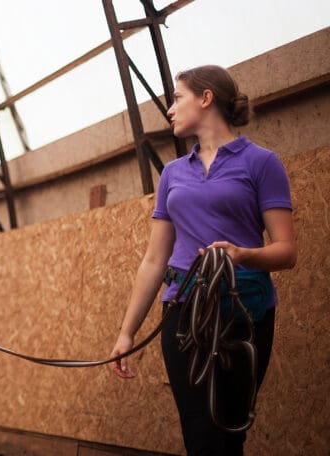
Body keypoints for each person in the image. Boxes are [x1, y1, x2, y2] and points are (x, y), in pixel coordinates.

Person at [108, 65, 296, 455]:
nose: (171, 109)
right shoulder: (173, 174)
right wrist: (127, 333)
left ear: (206, 98)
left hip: (246, 311)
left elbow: (286, 251)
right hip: (184, 312)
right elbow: (154, 259)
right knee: (199, 430)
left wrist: (242, 254)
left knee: (229, 429)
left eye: (177, 98)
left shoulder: (262, 163)